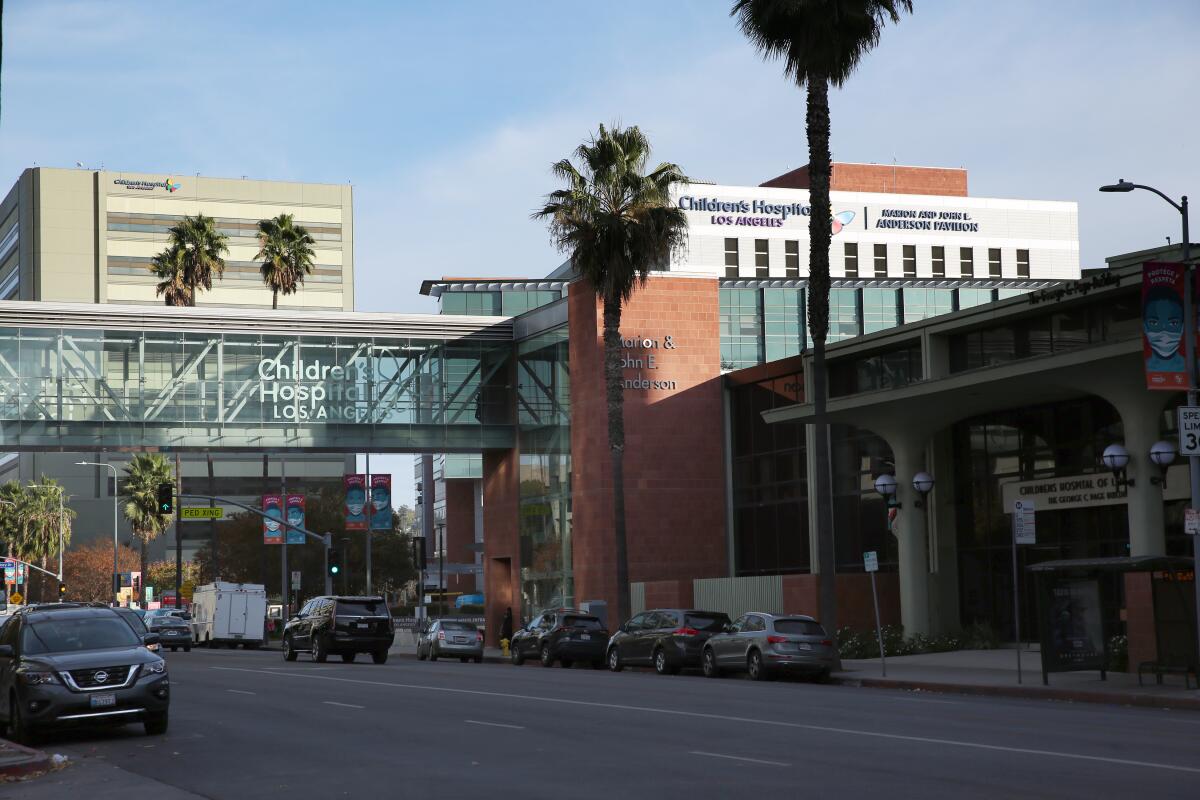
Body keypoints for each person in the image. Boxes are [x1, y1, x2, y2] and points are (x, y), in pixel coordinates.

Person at [1144, 285, 1186, 373]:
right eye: (1154, 323)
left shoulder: (1189, 367)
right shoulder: (1147, 368)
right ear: (1145, 327)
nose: (1164, 330)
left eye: (1173, 323)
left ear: (1182, 327)